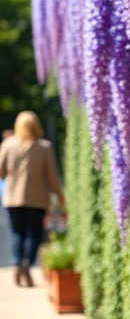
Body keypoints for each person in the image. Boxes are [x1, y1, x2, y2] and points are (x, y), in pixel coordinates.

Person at [0, 110, 64, 287]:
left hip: (12, 198)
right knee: (34, 233)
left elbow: (1, 171)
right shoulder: (43, 147)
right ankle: (27, 264)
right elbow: (52, 176)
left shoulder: (8, 144)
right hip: (37, 198)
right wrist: (60, 196)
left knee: (17, 233)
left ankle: (16, 262)